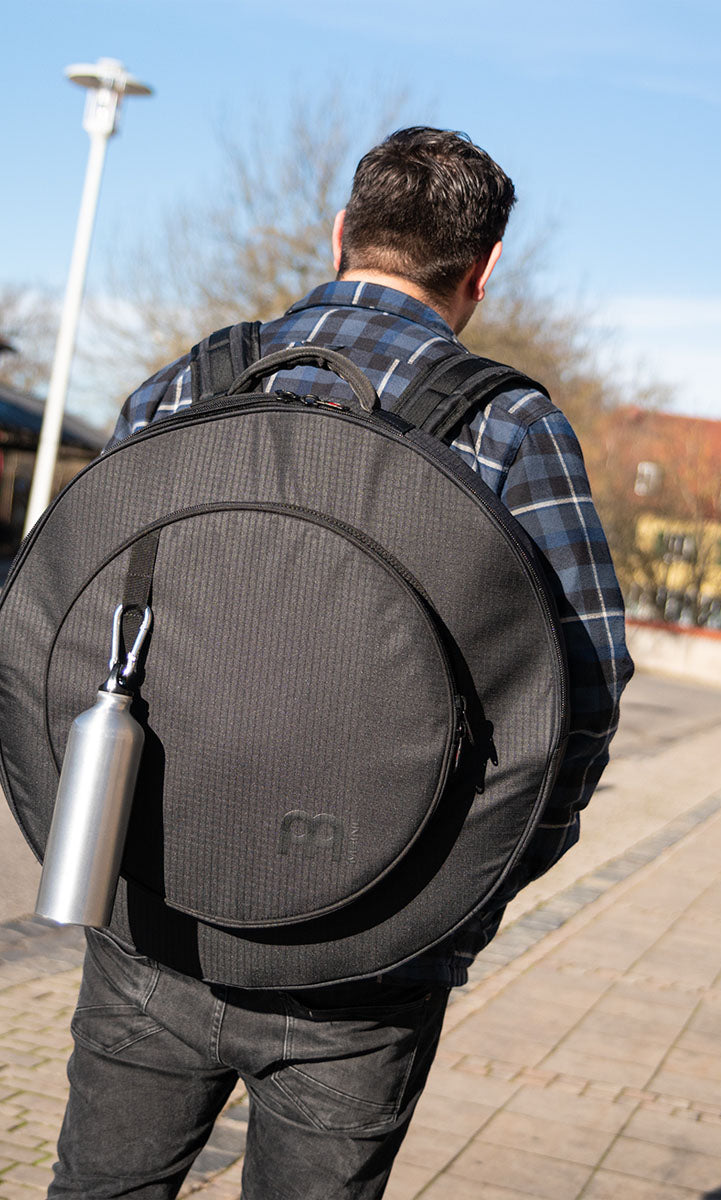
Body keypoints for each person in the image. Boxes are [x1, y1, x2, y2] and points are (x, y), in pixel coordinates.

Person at [47, 126, 632, 1200]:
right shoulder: (508, 428)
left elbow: (73, 606)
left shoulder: (194, 383)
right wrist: (463, 895)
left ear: (339, 232)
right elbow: (585, 694)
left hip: (159, 914)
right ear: (483, 271)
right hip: (375, 953)